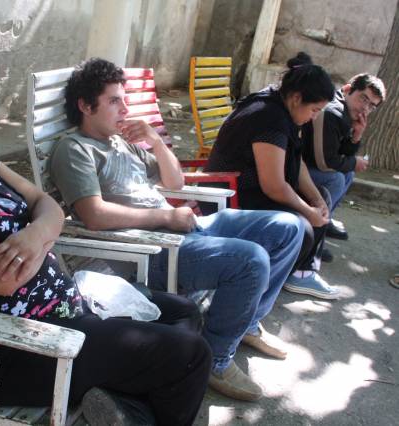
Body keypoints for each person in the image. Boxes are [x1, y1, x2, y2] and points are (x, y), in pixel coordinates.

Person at [0, 58, 212, 426]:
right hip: (14, 348)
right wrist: (44, 232)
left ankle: (124, 411)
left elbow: (45, 203)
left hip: (66, 312)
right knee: (189, 355)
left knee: (184, 312)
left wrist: (35, 234)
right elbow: (5, 278)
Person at [49, 58, 305, 402]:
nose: (124, 109)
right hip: (153, 249)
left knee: (288, 227)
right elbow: (93, 215)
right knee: (251, 260)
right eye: (114, 101)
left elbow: (174, 181)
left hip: (181, 228)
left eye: (124, 100)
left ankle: (244, 324)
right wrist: (166, 218)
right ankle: (216, 358)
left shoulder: (120, 142)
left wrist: (155, 140)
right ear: (85, 105)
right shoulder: (75, 149)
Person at [206, 52, 339, 300]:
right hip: (231, 195)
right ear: (297, 98)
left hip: (252, 190)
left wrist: (316, 200)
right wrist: (309, 212)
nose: (314, 117)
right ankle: (253, 293)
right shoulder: (269, 117)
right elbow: (274, 186)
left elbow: (296, 162)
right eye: (314, 110)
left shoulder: (284, 109)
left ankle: (298, 273)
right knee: (302, 229)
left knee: (321, 196)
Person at [302, 73, 386, 240]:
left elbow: (339, 153)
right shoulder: (332, 112)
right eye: (364, 99)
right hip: (293, 166)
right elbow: (324, 162)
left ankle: (325, 220)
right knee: (336, 179)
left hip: (307, 164)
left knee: (347, 173)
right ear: (348, 89)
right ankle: (312, 233)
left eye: (372, 106)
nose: (365, 108)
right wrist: (354, 162)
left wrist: (356, 136)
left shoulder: (346, 111)